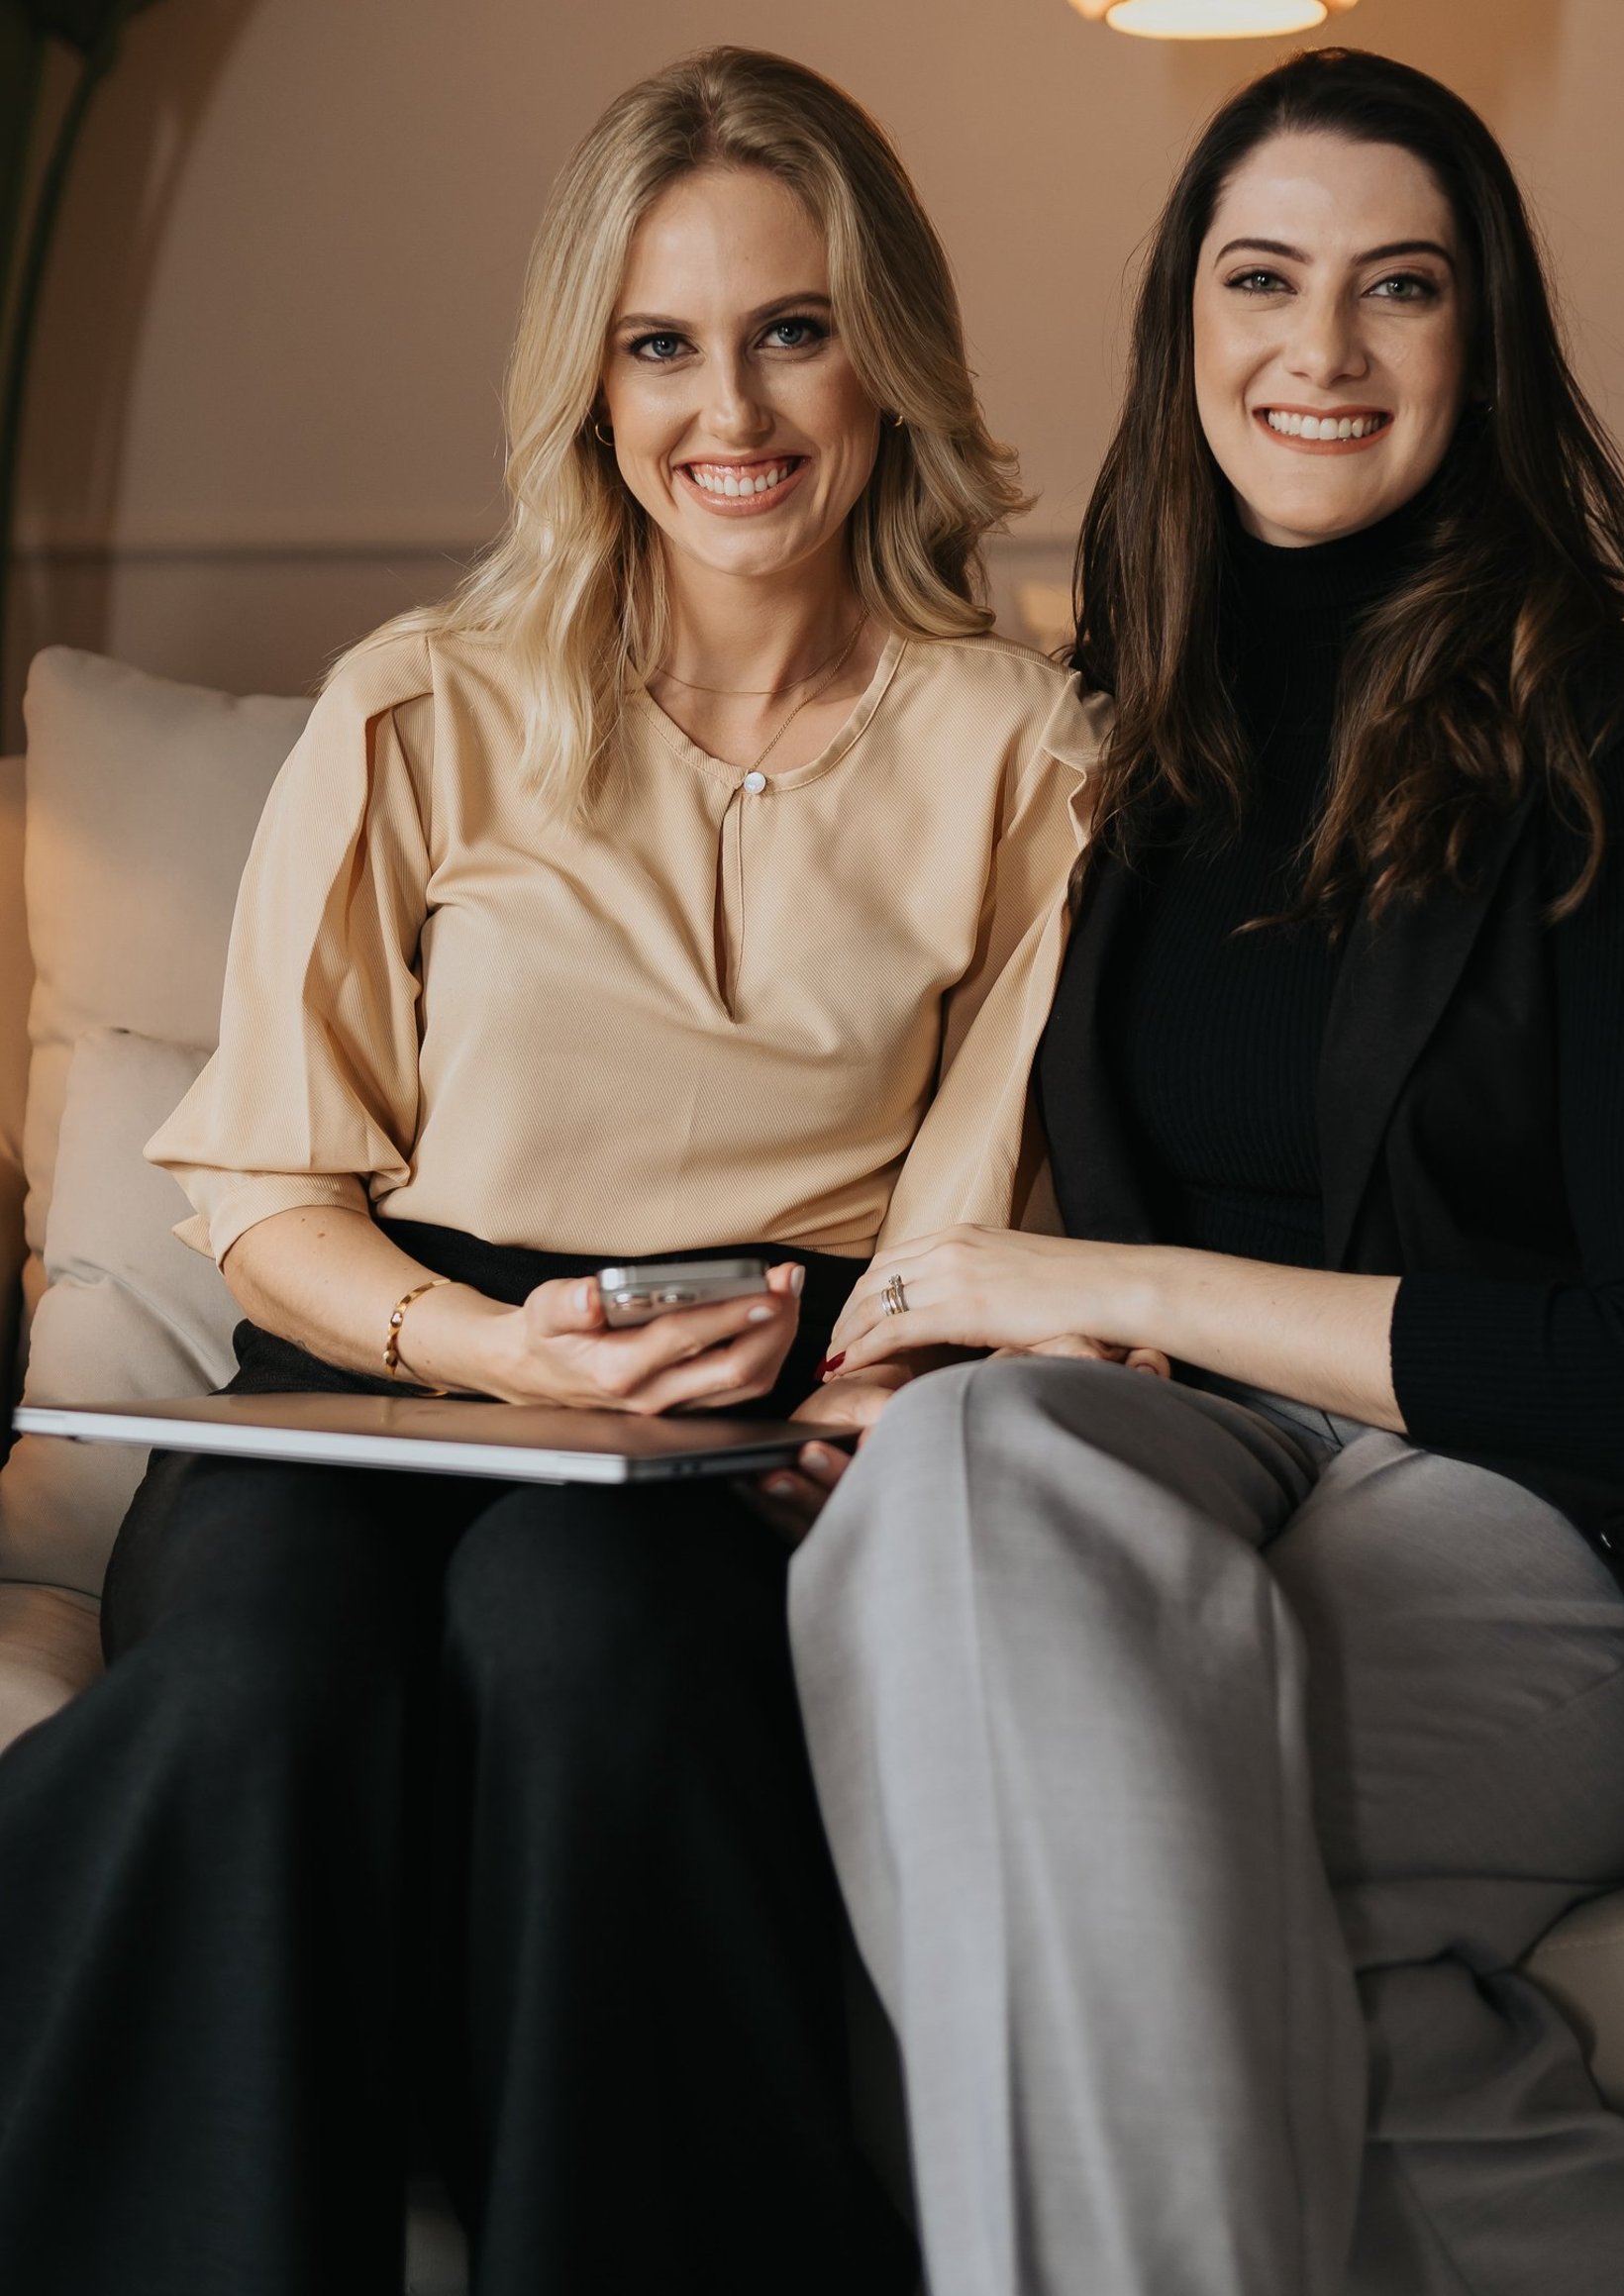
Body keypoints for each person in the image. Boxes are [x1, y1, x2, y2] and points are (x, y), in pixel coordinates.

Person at [784, 47, 1624, 2296]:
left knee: (1107, 1855)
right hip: (1225, 1460)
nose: (1320, 348)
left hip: (1584, 1515)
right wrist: (950, 1334)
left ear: (1482, 345)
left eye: (1399, 288)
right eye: (1263, 279)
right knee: (965, 1472)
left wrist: (1122, 1283)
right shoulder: (1147, 744)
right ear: (1184, 326)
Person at [0, 47, 1099, 2296]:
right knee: (263, 1679)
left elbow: (979, 1206)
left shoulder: (1032, 747)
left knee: (581, 1640)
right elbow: (273, 1187)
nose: (737, 411)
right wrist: (494, 1344)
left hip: (740, 1405)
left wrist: (863, 1398)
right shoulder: (419, 699)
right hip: (376, 1365)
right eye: (662, 342)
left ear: (882, 350)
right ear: (589, 384)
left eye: (793, 329)